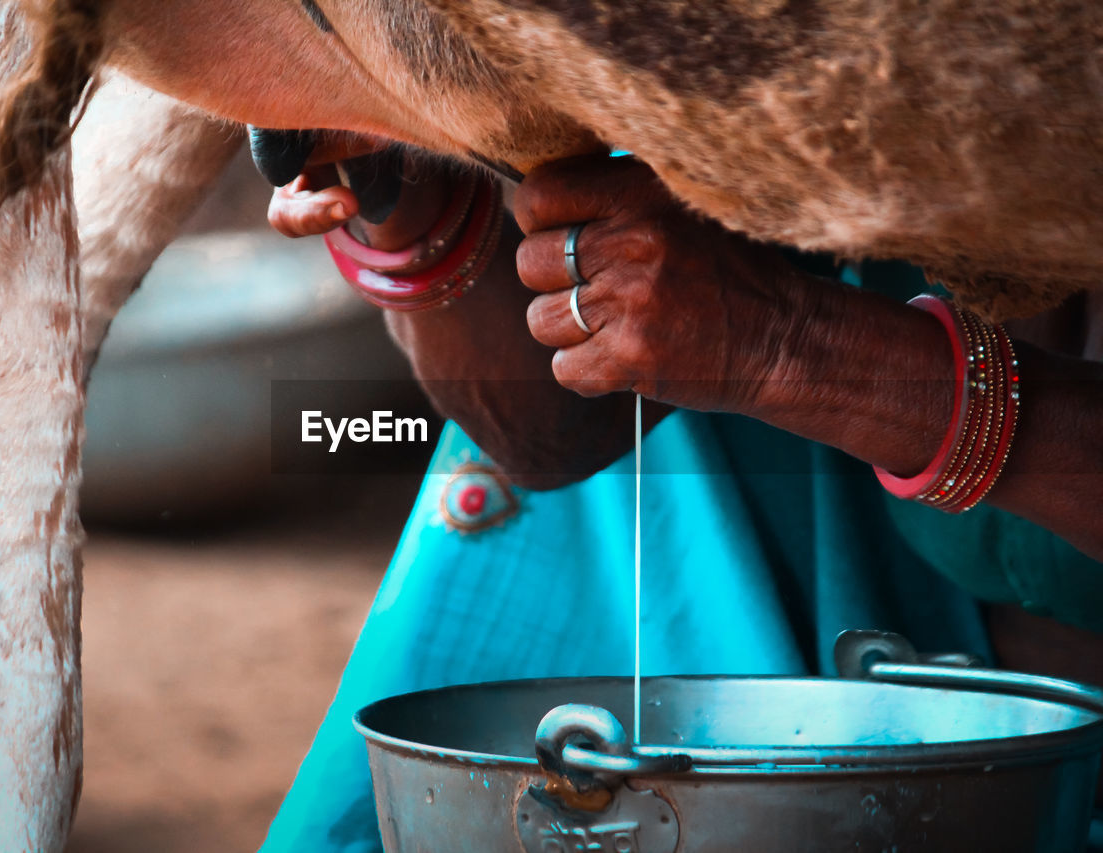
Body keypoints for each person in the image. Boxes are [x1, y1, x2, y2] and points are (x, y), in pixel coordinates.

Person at [258, 142, 1103, 851]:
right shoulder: (869, 91)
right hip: (912, 614)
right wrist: (399, 187)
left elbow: (769, 335)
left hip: (977, 662)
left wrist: (790, 345)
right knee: (622, 361)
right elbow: (547, 434)